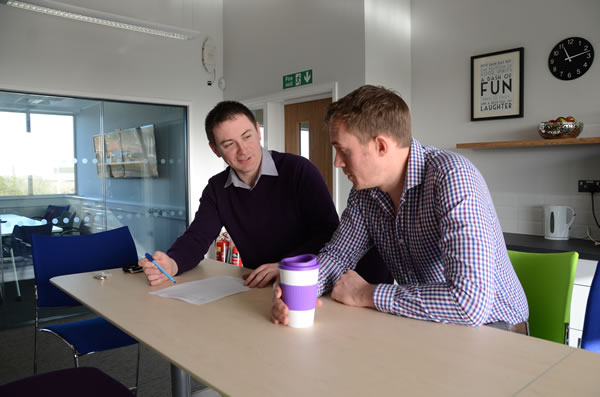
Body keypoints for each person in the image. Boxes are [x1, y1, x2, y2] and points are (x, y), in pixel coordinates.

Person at [272, 85, 529, 333]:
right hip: (429, 325)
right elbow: (338, 256)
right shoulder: (365, 195)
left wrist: (366, 293)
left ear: (381, 146)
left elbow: (469, 304)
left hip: (497, 329)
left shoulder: (452, 177)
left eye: (343, 150)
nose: (338, 163)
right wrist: (296, 291)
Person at [140, 100, 390, 288]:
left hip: (318, 282)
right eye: (229, 144)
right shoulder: (217, 189)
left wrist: (284, 265)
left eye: (247, 137)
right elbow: (197, 237)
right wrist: (171, 263)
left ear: (258, 132)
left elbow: (328, 233)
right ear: (215, 150)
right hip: (263, 286)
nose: (243, 150)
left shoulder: (298, 171)